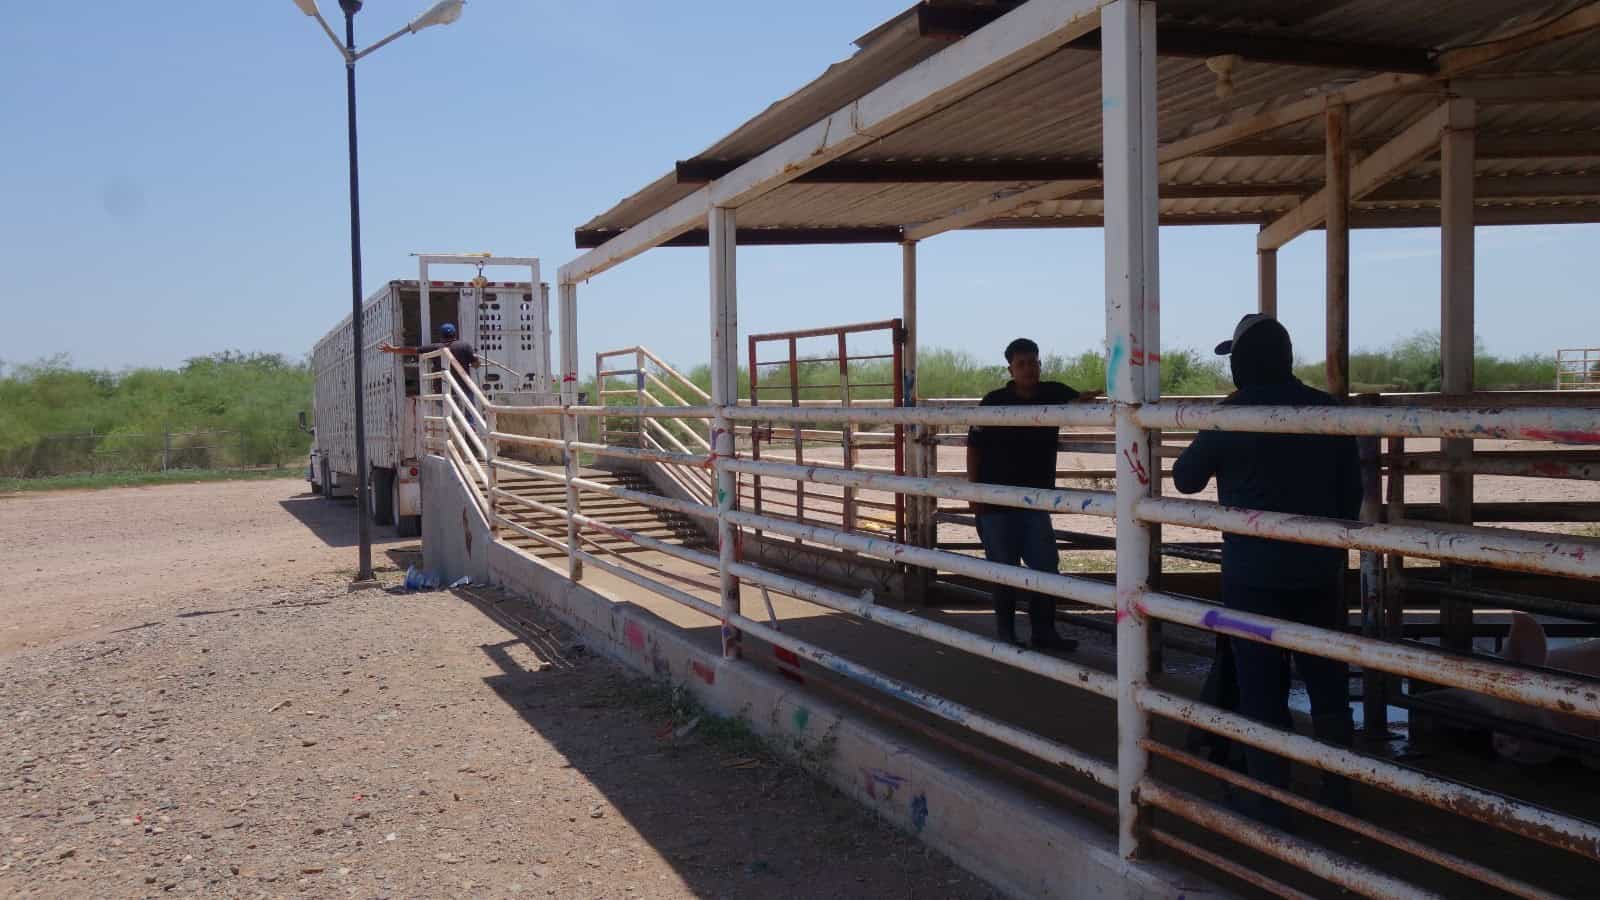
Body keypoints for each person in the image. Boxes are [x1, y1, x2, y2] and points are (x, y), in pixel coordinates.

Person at [1173, 313, 1362, 823]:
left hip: (1252, 574)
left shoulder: (1232, 416)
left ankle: (1268, 794)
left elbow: (1185, 479)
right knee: (1327, 679)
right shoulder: (1328, 412)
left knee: (1262, 686)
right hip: (1320, 571)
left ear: (1241, 362)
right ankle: (1339, 791)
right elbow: (1351, 498)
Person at [966, 338, 1095, 652]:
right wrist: (975, 492)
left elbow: (1081, 402)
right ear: (1010, 368)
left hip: (1036, 501)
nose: (1029, 369)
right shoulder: (993, 402)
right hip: (996, 499)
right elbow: (974, 448)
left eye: (1034, 362)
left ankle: (1044, 632)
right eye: (1022, 363)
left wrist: (1092, 400)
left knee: (1046, 567)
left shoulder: (1053, 392)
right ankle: (1006, 634)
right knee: (1004, 569)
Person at [379, 322, 479, 374]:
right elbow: (476, 365)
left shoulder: (435, 347)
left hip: (443, 388)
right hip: (464, 388)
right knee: (467, 413)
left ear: (441, 336)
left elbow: (413, 350)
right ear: (455, 334)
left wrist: (392, 349)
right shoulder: (465, 346)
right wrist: (475, 359)